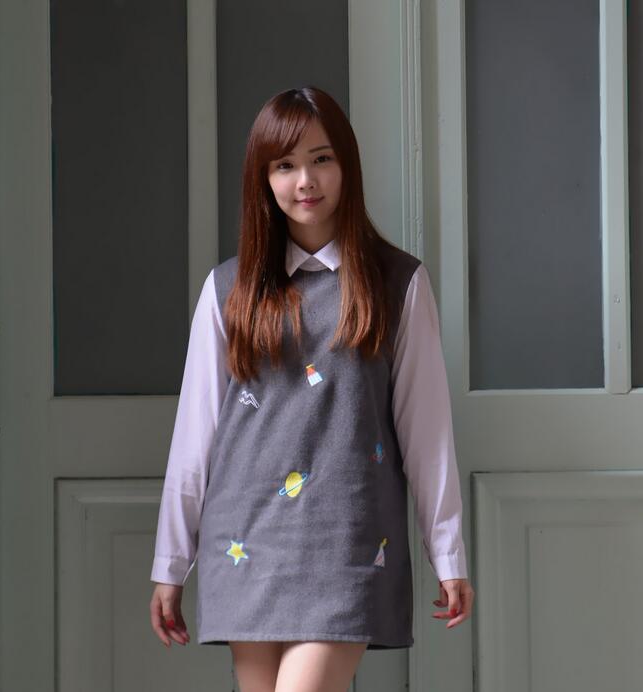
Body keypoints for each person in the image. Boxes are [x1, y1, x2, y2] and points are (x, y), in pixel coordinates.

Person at [149, 85, 475, 691]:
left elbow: (426, 435)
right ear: (264, 178)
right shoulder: (227, 290)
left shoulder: (397, 283)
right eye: (285, 165)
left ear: (346, 165)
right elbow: (196, 438)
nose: (306, 180)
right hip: (246, 544)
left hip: (346, 542)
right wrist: (171, 563)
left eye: (322, 159)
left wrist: (447, 552)